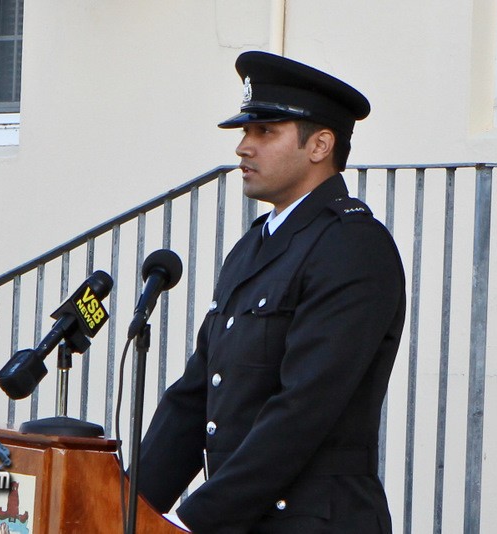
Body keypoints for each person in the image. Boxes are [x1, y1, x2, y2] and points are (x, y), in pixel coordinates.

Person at [136, 50, 406, 534]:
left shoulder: (352, 245)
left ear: (320, 144)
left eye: (265, 132)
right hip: (241, 517)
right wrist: (125, 508)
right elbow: (195, 397)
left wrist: (192, 521)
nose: (244, 147)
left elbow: (303, 409)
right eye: (246, 132)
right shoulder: (254, 246)